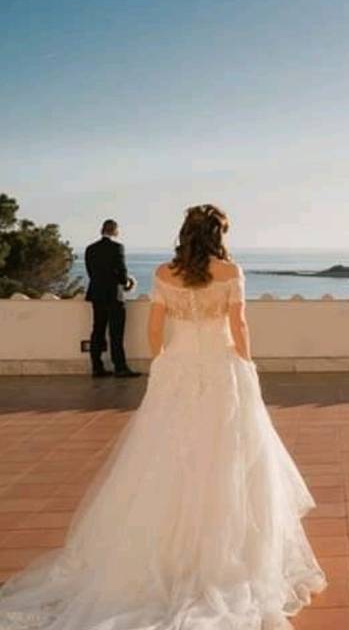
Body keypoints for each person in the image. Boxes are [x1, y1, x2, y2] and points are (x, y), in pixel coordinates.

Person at [0, 204, 326, 629]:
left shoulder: (163, 274)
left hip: (178, 370)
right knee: (228, 456)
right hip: (222, 369)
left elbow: (155, 329)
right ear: (218, 234)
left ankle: (165, 554)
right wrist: (247, 366)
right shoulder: (230, 273)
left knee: (166, 459)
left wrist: (168, 365)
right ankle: (227, 557)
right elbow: (240, 326)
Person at [84, 219, 141, 377]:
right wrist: (128, 282)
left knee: (97, 330)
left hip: (97, 294)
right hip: (114, 295)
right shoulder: (117, 248)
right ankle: (120, 367)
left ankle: (97, 367)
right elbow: (121, 273)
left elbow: (91, 273)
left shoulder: (90, 249)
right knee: (116, 333)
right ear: (115, 230)